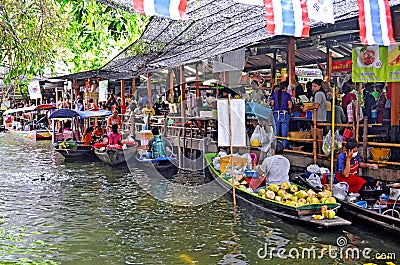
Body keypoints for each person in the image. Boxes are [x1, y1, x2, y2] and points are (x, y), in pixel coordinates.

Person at [270, 81, 292, 149]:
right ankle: (283, 148)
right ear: (285, 88)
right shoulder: (287, 95)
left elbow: (272, 104)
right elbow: (290, 106)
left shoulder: (274, 94)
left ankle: (274, 147)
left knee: (275, 132)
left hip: (276, 114)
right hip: (285, 114)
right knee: (284, 134)